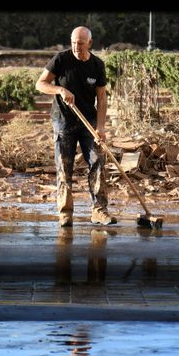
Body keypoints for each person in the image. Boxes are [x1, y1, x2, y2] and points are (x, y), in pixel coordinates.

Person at [35, 26, 114, 227]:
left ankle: (99, 211)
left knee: (97, 162)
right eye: (73, 43)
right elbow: (41, 84)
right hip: (63, 121)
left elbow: (102, 98)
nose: (76, 47)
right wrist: (60, 89)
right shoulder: (61, 59)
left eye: (80, 43)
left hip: (88, 122)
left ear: (89, 43)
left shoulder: (97, 65)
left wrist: (101, 127)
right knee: (64, 166)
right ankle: (65, 213)